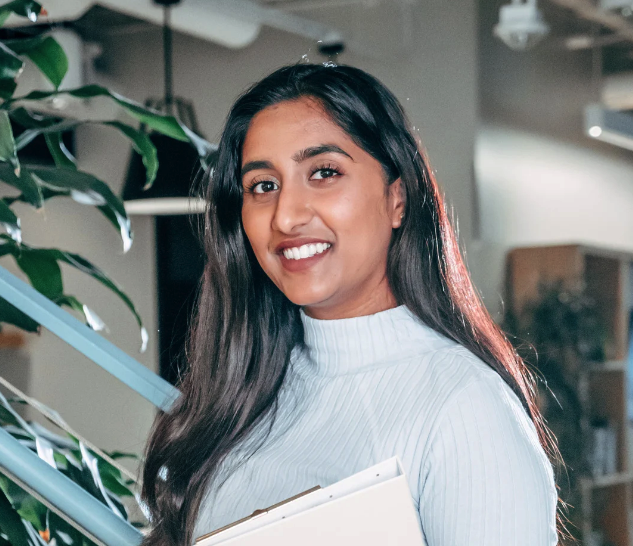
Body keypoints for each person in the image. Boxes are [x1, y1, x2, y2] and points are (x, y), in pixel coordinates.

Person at [141, 62, 563, 546]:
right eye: (263, 185)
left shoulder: (465, 407)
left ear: (397, 198)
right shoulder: (242, 395)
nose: (287, 216)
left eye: (323, 172)